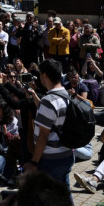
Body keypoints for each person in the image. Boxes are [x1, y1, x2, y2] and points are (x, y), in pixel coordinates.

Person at [23, 59, 75, 192]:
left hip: (51, 159)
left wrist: (34, 162)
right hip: (67, 154)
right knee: (64, 193)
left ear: (45, 75)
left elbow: (43, 136)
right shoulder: (66, 95)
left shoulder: (48, 101)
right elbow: (53, 115)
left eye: (40, 74)